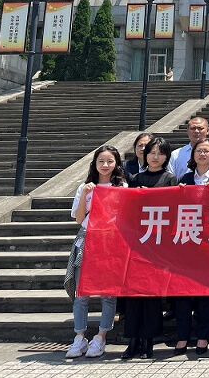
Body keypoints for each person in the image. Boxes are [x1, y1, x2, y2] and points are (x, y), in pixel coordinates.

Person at [64, 145, 127, 359]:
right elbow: (79, 218)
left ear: (116, 164)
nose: (105, 165)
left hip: (110, 242)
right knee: (81, 293)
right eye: (101, 161)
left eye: (110, 161)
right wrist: (86, 194)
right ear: (95, 163)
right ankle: (79, 337)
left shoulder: (122, 187)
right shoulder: (85, 187)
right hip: (87, 240)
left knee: (108, 294)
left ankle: (101, 337)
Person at [173, 138, 209, 356]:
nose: (202, 154)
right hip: (187, 242)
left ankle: (203, 336)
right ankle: (182, 336)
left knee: (206, 294)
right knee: (183, 294)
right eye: (199, 150)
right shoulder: (186, 179)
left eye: (207, 151)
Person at [121, 137, 177, 360]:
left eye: (160, 153)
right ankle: (132, 339)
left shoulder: (170, 179)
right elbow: (128, 211)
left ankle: (148, 340)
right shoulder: (135, 179)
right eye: (152, 152)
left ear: (166, 157)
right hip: (137, 243)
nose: (155, 157)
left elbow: (174, 211)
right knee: (133, 294)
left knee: (152, 295)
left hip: (158, 244)